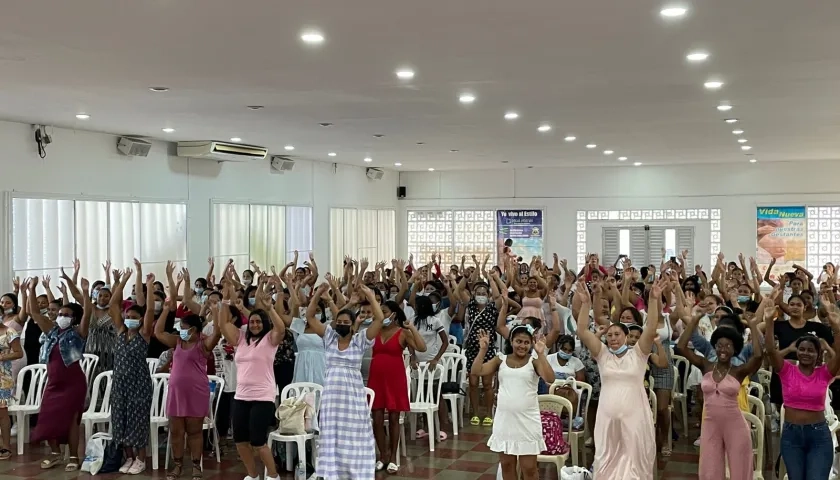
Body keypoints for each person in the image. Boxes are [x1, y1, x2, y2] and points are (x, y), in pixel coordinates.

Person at [575, 279, 657, 479]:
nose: (612, 338)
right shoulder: (603, 355)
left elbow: (652, 326)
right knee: (605, 461)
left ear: (626, 335)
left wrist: (654, 300)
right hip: (608, 418)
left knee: (634, 464)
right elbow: (582, 331)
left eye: (617, 334)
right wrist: (586, 305)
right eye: (609, 335)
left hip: (634, 417)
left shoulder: (638, 354)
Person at [676, 301, 764, 479]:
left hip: (735, 425)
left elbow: (758, 355)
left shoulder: (739, 371)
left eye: (728, 346)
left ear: (735, 349)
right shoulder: (705, 365)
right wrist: (694, 320)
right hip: (710, 423)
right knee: (710, 469)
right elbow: (681, 347)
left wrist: (753, 326)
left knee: (739, 469)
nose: (723, 350)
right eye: (720, 345)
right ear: (714, 346)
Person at [217, 271, 285, 480]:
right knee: (240, 440)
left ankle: (272, 476)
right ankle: (253, 475)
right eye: (252, 322)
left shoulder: (270, 340)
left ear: (263, 324)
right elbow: (222, 324)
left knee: (258, 441)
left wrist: (270, 308)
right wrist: (226, 299)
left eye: (258, 322)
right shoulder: (240, 338)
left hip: (263, 397)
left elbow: (281, 328)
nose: (255, 325)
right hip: (241, 396)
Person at [156, 267, 221, 480]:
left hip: (196, 392)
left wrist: (216, 311)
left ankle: (196, 466)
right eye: (180, 326)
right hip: (176, 393)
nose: (181, 329)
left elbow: (218, 333)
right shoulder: (177, 342)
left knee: (194, 431)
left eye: (185, 327)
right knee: (176, 431)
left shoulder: (203, 344)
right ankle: (177, 465)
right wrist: (166, 309)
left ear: (194, 329)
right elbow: (158, 332)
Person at [766, 293, 840, 479]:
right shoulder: (786, 370)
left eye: (811, 350)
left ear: (818, 354)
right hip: (792, 436)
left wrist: (837, 328)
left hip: (818, 436)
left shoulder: (824, 372)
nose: (806, 353)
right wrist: (768, 322)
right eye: (802, 349)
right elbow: (770, 351)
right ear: (796, 351)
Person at [314, 285, 383, 480]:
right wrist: (318, 295)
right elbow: (310, 317)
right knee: (332, 437)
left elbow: (378, 319)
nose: (342, 324)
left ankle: (356, 473)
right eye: (339, 321)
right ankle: (332, 473)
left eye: (346, 321)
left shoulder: (360, 340)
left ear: (353, 324)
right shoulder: (329, 337)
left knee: (354, 437)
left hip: (352, 399)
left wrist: (370, 296)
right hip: (331, 401)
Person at [470, 325, 554, 480]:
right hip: (505, 421)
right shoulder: (500, 359)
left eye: (526, 342)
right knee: (507, 466)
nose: (522, 346)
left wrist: (541, 354)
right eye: (518, 341)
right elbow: (476, 371)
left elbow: (550, 378)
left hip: (528, 422)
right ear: (511, 341)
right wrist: (482, 350)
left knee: (529, 469)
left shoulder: (533, 361)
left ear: (531, 344)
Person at [27, 276, 90, 472]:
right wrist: (32, 289)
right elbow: (34, 312)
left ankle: (73, 456)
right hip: (53, 382)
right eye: (60, 313)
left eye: (66, 314)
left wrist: (86, 294)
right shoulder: (51, 331)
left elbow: (87, 314)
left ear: (73, 319)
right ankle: (55, 454)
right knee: (48, 417)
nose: (61, 316)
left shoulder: (78, 333)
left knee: (72, 420)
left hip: (73, 383)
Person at [369, 299, 426, 473]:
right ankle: (383, 455)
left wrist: (412, 328)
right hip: (376, 377)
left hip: (395, 378)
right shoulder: (375, 330)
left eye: (384, 312)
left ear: (393, 314)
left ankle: (393, 456)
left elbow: (422, 348)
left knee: (394, 418)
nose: (381, 315)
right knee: (377, 418)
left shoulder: (402, 332)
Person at [112, 271, 156, 475]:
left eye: (133, 318)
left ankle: (140, 458)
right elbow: (113, 305)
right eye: (127, 316)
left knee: (137, 420)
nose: (129, 320)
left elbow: (148, 311)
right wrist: (120, 282)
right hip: (119, 384)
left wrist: (149, 285)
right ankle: (128, 456)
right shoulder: (121, 332)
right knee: (120, 418)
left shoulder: (144, 335)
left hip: (139, 384)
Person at [0, 297, 23, 460]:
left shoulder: (9, 332)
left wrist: (3, 357)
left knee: (2, 413)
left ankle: (6, 446)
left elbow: (18, 352)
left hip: (3, 376)